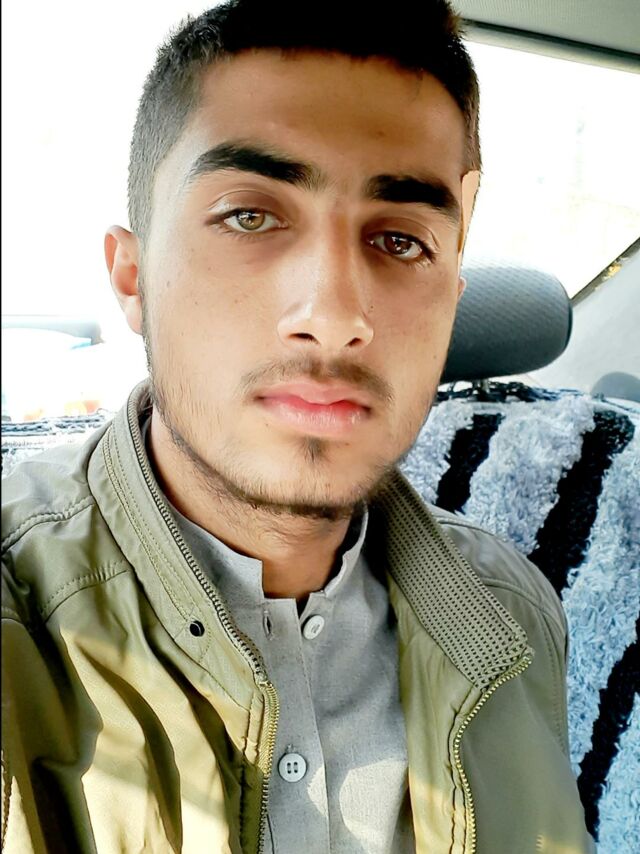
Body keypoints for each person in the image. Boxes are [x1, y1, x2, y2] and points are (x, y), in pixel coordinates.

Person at [1, 1, 594, 851]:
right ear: (132, 277)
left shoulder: (515, 613)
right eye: (250, 216)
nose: (335, 315)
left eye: (401, 241)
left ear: (450, 300)